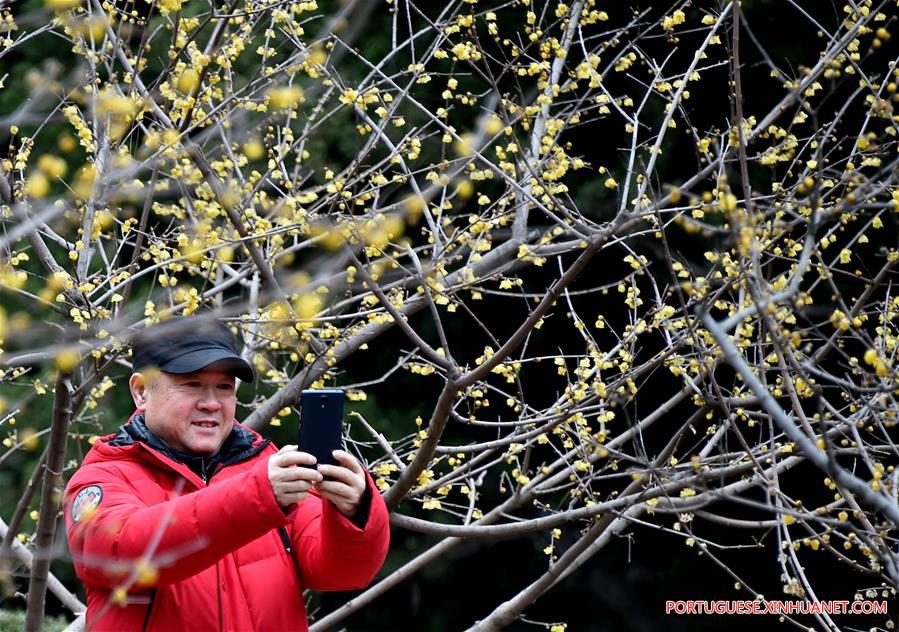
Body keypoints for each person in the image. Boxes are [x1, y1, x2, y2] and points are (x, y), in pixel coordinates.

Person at [64, 317, 390, 631]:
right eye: (192, 384)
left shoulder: (267, 468)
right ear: (141, 391)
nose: (212, 403)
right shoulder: (102, 477)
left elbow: (342, 572)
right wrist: (256, 496)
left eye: (223, 387)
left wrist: (354, 511)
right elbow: (123, 552)